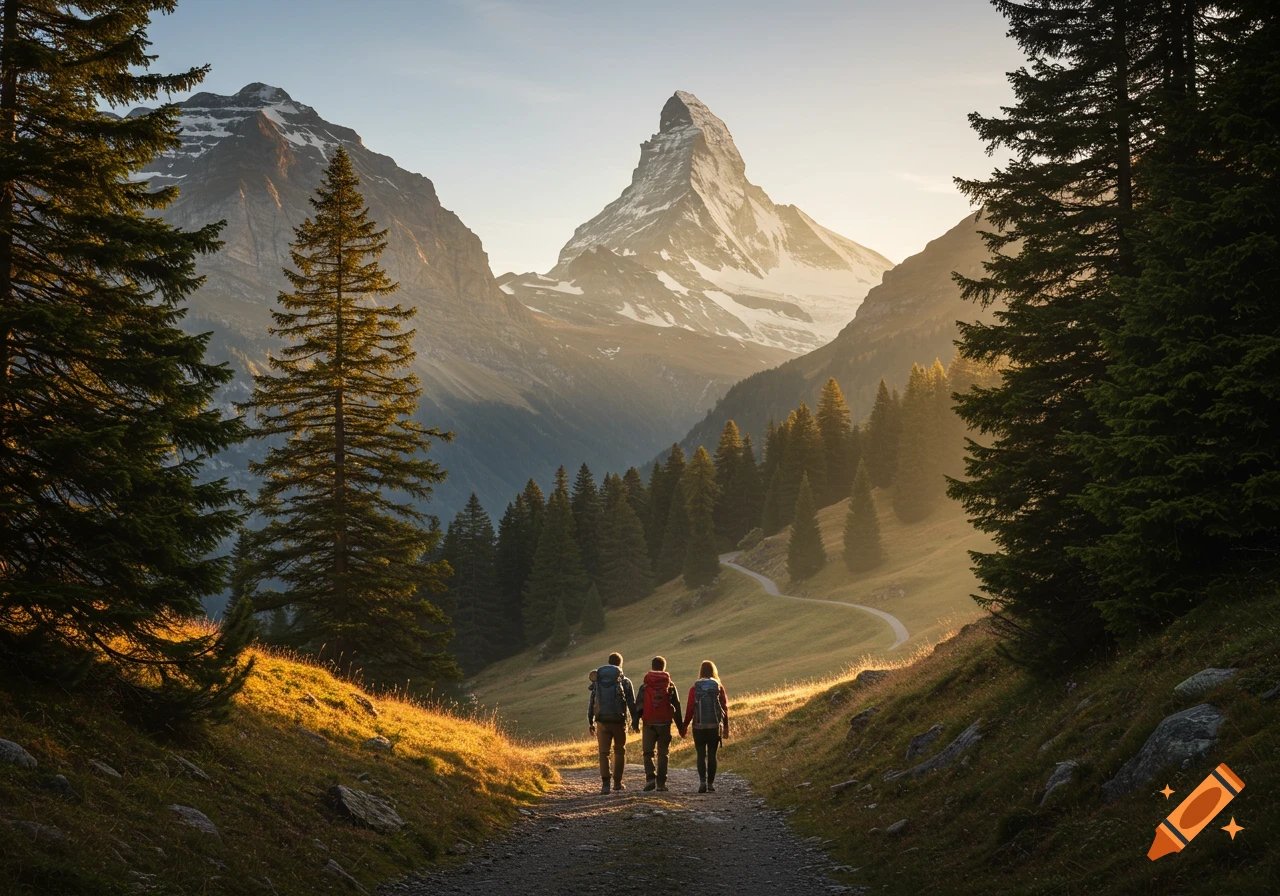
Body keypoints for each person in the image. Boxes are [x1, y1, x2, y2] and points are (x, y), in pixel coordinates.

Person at [632, 656, 685, 792]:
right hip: (665, 724)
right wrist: (681, 727)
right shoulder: (670, 685)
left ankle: (650, 779)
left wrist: (636, 722)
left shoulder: (645, 685)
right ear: (664, 667)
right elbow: (676, 706)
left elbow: (638, 705)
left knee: (648, 752)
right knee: (663, 754)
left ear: (652, 666)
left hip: (649, 723)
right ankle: (661, 783)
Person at [588, 651, 637, 794]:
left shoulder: (598, 681)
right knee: (619, 751)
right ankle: (617, 782)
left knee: (604, 753)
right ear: (620, 665)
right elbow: (631, 702)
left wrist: (590, 720)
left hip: (602, 721)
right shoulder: (625, 681)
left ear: (608, 663)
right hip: (619, 721)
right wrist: (634, 721)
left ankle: (605, 785)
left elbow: (592, 701)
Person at [683, 660, 729, 793]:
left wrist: (685, 725)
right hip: (714, 726)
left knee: (701, 754)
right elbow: (724, 708)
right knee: (712, 755)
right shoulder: (718, 687)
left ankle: (702, 781)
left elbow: (690, 708)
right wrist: (726, 727)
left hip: (698, 726)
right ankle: (710, 784)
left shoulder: (695, 688)